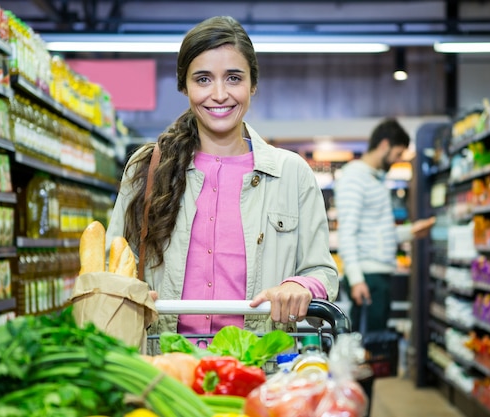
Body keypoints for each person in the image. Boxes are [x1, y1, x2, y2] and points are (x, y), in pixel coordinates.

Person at [105, 16, 338, 346]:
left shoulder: (292, 175)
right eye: (203, 79)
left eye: (233, 78)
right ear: (184, 86)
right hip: (164, 371)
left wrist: (300, 287)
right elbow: (110, 263)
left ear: (253, 84)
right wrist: (127, 290)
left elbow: (322, 272)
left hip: (260, 367)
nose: (219, 94)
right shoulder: (146, 168)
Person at [334, 118, 435, 333]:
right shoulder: (355, 177)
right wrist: (356, 280)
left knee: (375, 344)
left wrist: (411, 231)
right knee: (369, 346)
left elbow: (376, 232)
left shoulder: (374, 179)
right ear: (384, 145)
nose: (398, 160)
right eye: (397, 154)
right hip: (369, 278)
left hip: (378, 275)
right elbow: (347, 233)